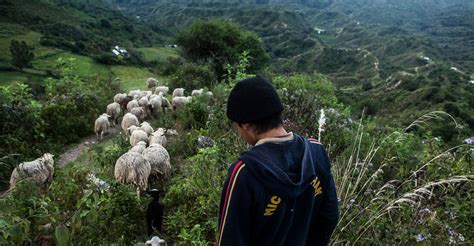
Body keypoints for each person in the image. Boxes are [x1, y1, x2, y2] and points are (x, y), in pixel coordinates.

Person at [217, 76, 339, 246]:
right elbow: (329, 216)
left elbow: (230, 240)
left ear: (245, 125)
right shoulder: (316, 151)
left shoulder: (244, 172)